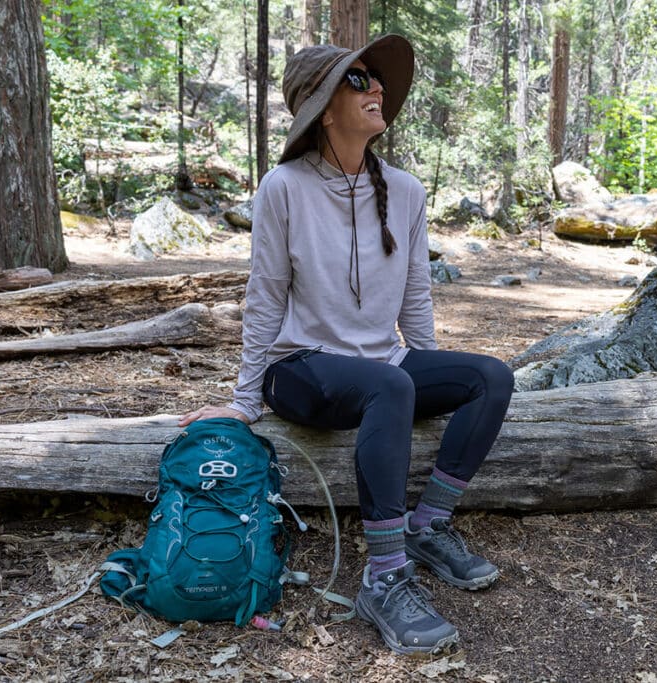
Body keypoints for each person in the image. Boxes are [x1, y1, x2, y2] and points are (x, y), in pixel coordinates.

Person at [179, 34, 514, 655]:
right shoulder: (284, 187)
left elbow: (416, 296)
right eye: (358, 80)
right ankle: (384, 577)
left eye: (376, 79)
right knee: (390, 382)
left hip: (380, 364)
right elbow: (265, 297)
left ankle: (427, 525)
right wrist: (244, 400)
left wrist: (429, 367)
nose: (377, 88)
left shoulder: (407, 191)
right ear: (323, 109)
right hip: (299, 367)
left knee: (490, 376)